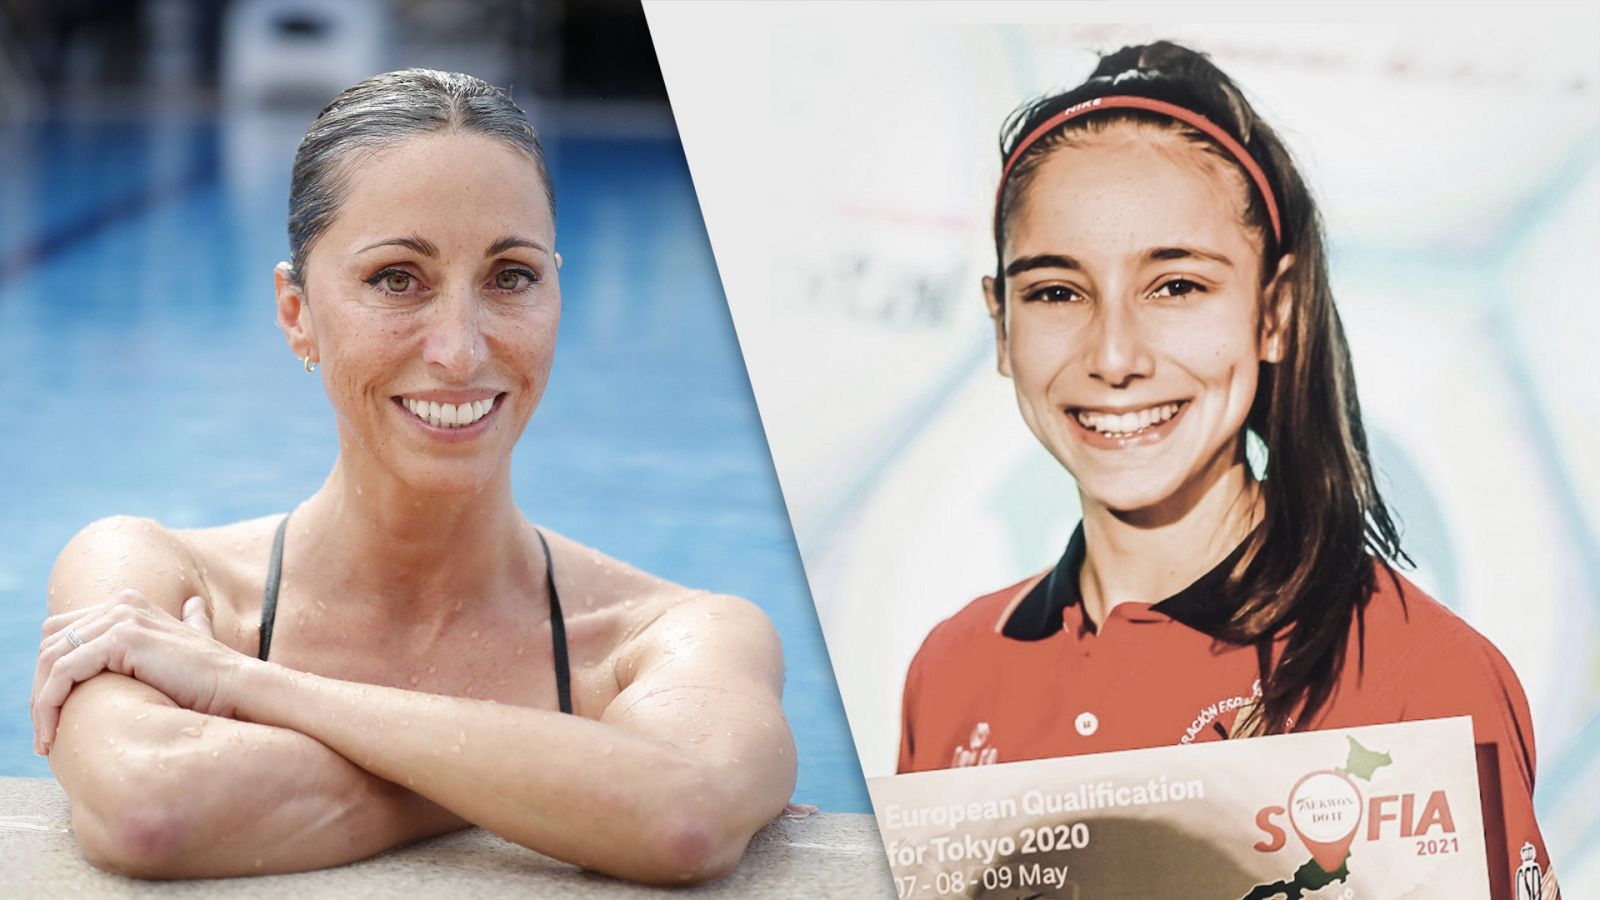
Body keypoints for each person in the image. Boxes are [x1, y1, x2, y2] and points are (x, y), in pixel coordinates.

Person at [29, 69, 795, 885]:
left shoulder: (678, 631)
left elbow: (680, 819)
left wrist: (244, 685)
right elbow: (152, 811)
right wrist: (572, 774)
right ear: (297, 314)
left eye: (512, 277)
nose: (460, 351)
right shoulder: (151, 573)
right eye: (397, 279)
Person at [895, 42, 1559, 899]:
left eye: (1175, 286)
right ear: (1000, 325)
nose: (1114, 355)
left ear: (1274, 313)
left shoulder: (1421, 678)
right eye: (1057, 292)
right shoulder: (952, 665)